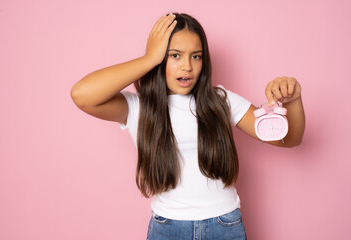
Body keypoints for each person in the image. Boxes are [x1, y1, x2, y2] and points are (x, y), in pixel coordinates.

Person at [71, 13, 305, 240]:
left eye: (196, 56)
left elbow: (290, 138)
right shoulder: (139, 107)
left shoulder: (222, 100)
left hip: (225, 225)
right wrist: (149, 59)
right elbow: (82, 95)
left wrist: (293, 100)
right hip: (167, 228)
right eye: (175, 55)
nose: (187, 66)